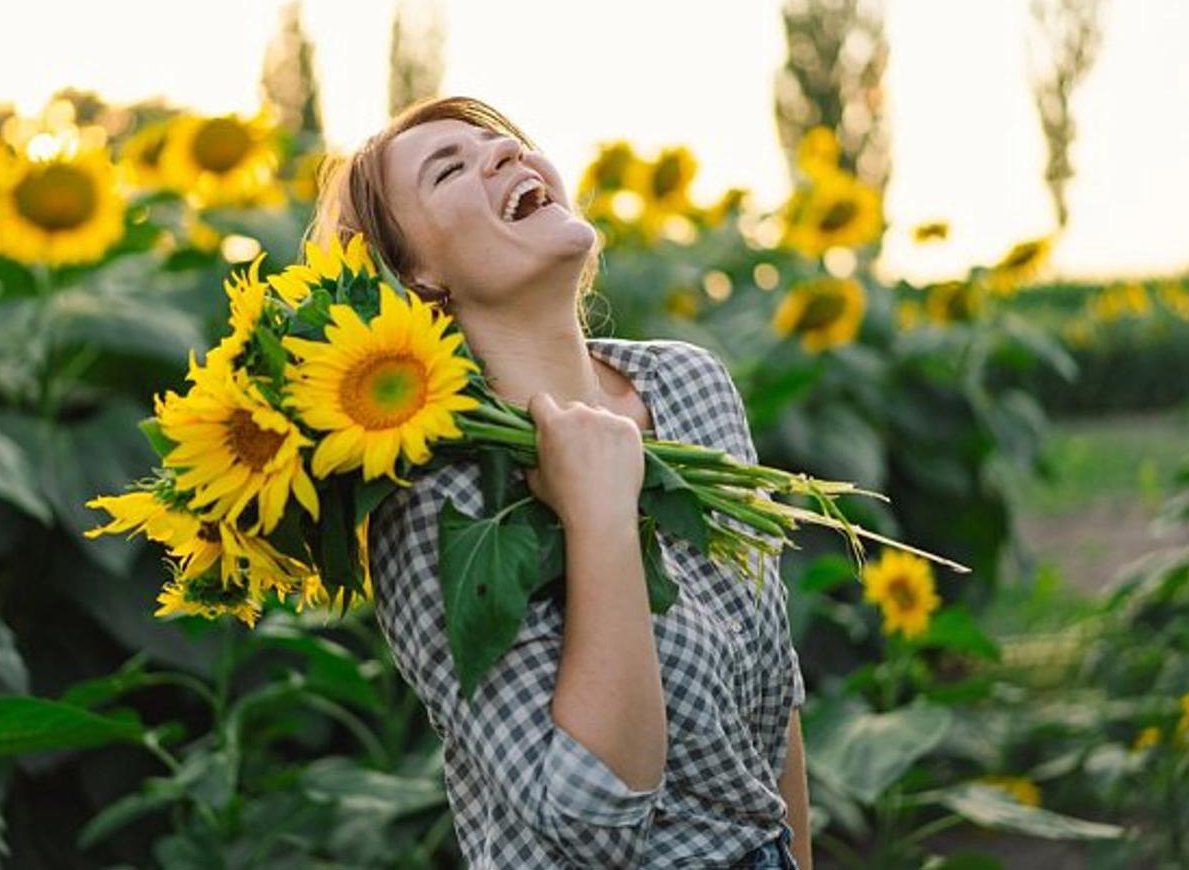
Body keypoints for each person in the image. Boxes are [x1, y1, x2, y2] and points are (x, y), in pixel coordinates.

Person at [306, 95, 811, 869]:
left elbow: (775, 703)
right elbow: (592, 826)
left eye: (502, 142)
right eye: (450, 169)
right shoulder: (435, 496)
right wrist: (598, 518)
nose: (503, 156)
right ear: (419, 276)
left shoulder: (687, 386)